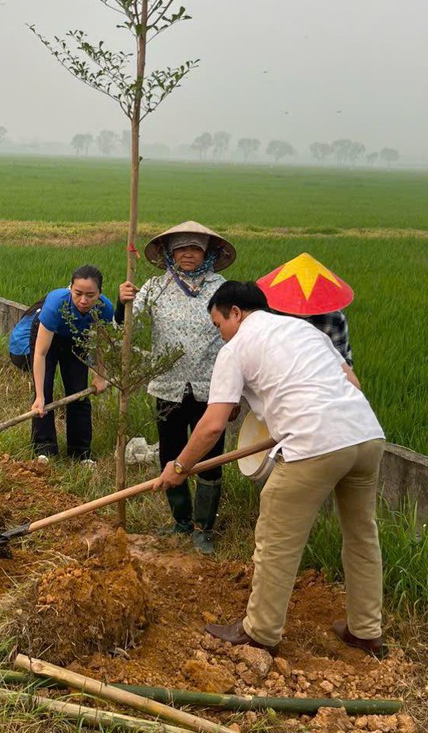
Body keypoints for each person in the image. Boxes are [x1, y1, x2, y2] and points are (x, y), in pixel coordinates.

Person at [156, 280, 386, 657]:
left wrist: (180, 466)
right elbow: (352, 382)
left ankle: (260, 631)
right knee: (362, 535)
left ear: (236, 312)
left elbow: (213, 425)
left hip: (315, 443)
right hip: (365, 435)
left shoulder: (237, 348)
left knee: (276, 537)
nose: (221, 334)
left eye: (219, 325)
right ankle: (365, 630)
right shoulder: (303, 329)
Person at [116, 221, 237, 554]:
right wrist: (121, 300)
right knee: (170, 455)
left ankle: (204, 529)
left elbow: (240, 331)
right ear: (169, 253)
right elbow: (126, 323)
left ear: (207, 254)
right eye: (181, 248)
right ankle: (181, 521)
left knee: (210, 458)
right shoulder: (155, 287)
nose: (188, 255)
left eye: (195, 249)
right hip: (167, 387)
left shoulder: (221, 288)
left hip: (210, 387)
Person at [20, 265, 113, 464]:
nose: (83, 300)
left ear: (100, 293)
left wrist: (100, 375)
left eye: (90, 295)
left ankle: (80, 452)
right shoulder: (56, 304)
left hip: (76, 340)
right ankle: (43, 449)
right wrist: (39, 395)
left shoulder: (105, 309)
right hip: (47, 339)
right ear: (70, 288)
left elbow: (101, 346)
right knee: (44, 392)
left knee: (78, 392)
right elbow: (40, 353)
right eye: (78, 293)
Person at [257, 251, 354, 367]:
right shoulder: (268, 313)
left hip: (320, 373)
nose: (301, 306)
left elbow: (344, 363)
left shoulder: (334, 319)